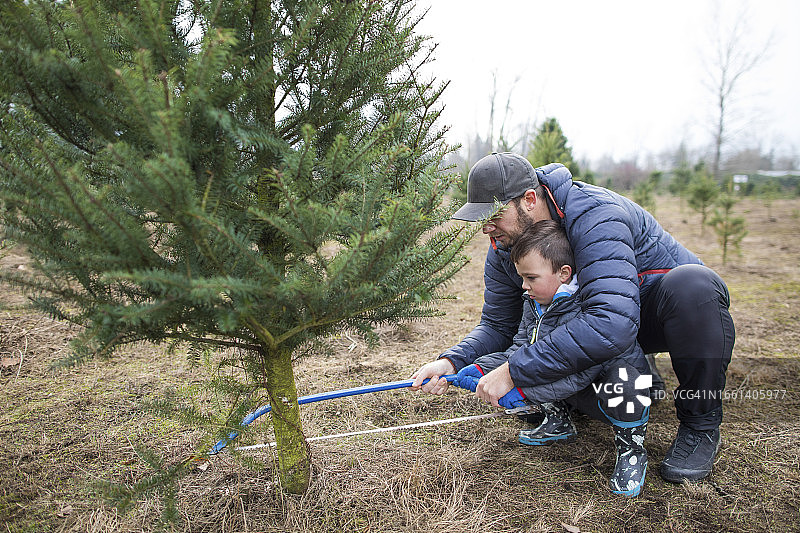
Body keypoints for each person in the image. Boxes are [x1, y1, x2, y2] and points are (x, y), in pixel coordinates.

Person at [411, 152, 735, 484]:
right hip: (596, 322)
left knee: (694, 287)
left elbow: (612, 321)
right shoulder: (505, 248)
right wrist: (453, 361)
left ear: (530, 199)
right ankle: (632, 384)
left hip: (656, 309)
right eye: (482, 218)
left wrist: (514, 370)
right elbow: (499, 325)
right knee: (570, 368)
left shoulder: (596, 215)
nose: (486, 228)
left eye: (494, 214)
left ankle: (701, 425)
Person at [454, 219, 651, 496]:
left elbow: (575, 373)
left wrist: (523, 392)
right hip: (574, 383)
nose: (524, 286)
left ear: (564, 273)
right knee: (535, 361)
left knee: (627, 383)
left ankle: (632, 450)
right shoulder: (535, 304)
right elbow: (520, 353)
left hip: (605, 386)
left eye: (531, 278)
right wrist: (476, 368)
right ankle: (559, 422)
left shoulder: (583, 308)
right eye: (522, 278)